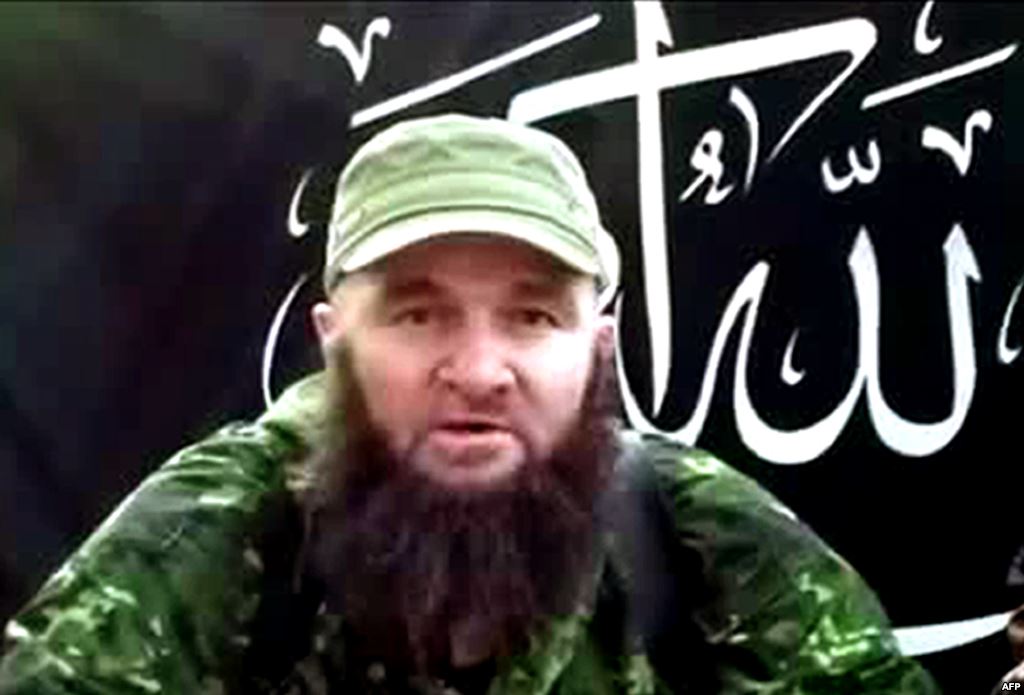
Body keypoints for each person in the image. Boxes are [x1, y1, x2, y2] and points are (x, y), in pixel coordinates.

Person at [0, 114, 940, 694]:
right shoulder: (223, 524)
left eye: (532, 316)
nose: (481, 369)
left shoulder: (687, 532)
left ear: (598, 347)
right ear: (334, 339)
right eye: (418, 314)